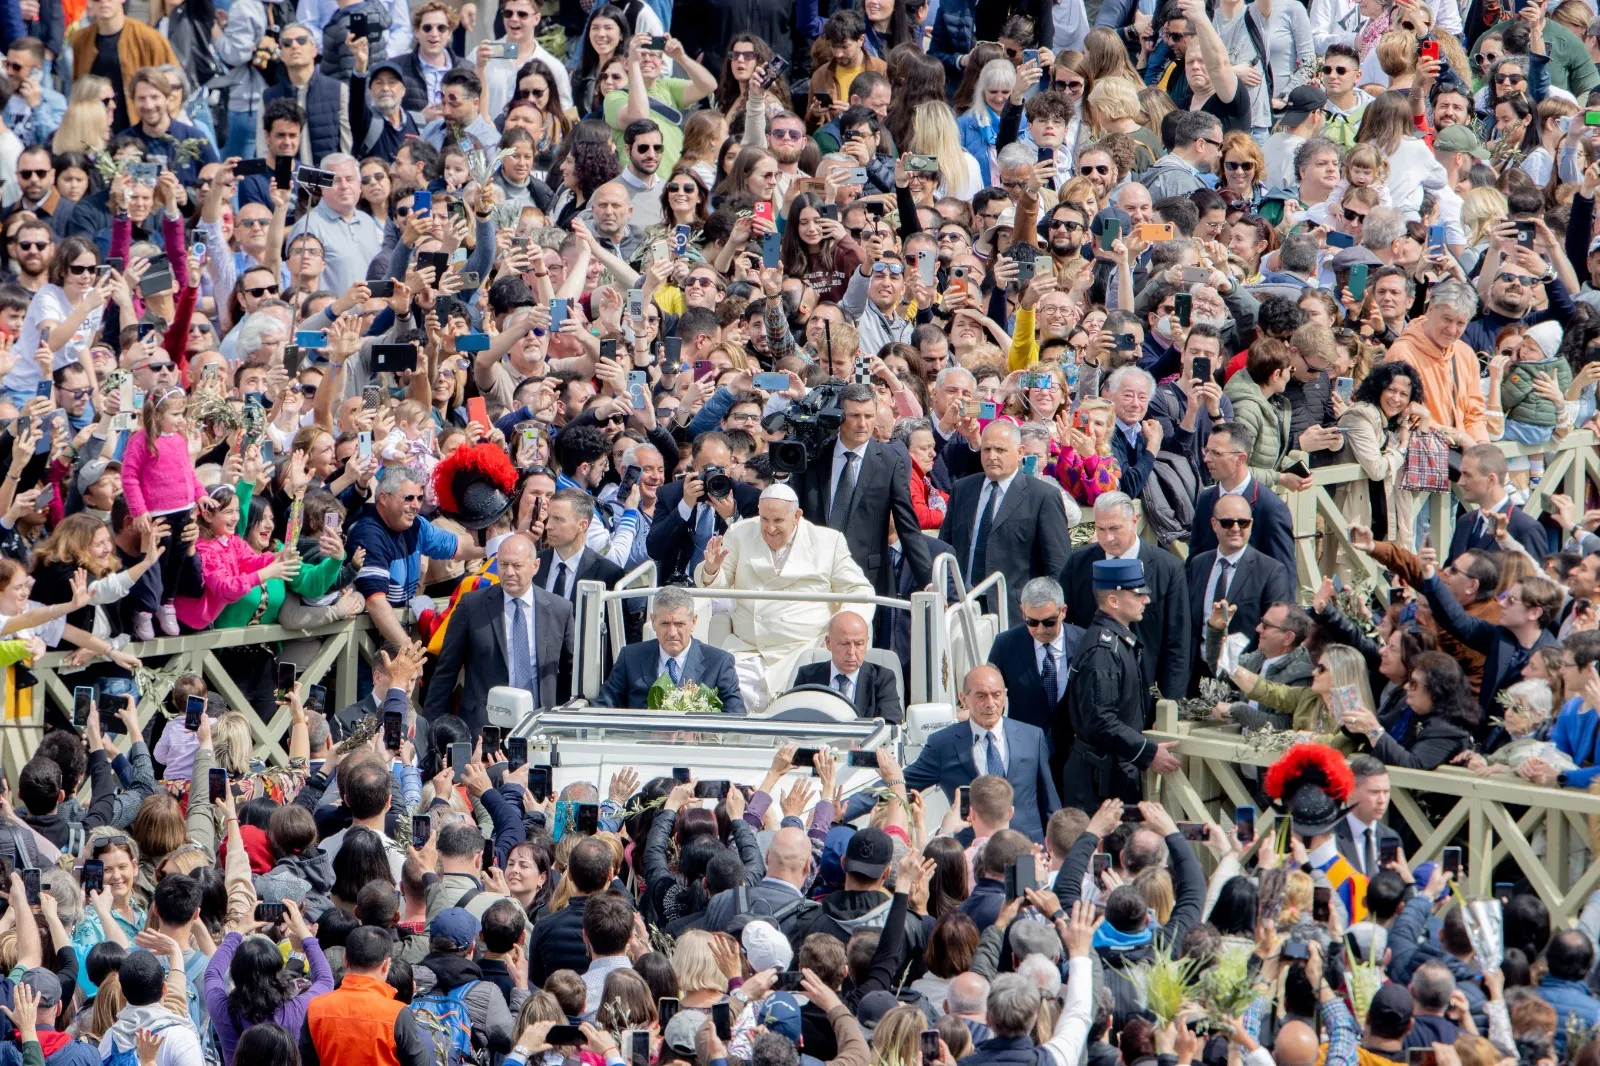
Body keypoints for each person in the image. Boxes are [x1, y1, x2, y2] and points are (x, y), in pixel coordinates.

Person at [696, 483, 874, 704]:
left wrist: (840, 627)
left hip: (805, 649)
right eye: (764, 520)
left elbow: (860, 591)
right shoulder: (740, 533)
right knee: (727, 698)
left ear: (797, 516)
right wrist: (711, 569)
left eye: (778, 521)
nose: (770, 529)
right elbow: (718, 586)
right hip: (751, 650)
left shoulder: (827, 541)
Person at [789, 383, 932, 599]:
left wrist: (929, 582)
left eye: (868, 416)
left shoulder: (890, 460)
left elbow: (907, 526)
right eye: (854, 415)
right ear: (839, 416)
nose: (862, 424)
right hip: (814, 574)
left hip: (867, 578)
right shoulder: (815, 456)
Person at [423, 533, 571, 736]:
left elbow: (569, 672)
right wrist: (430, 729)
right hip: (484, 727)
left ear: (535, 566)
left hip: (540, 726)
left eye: (517, 566)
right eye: (503, 565)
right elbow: (446, 671)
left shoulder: (559, 609)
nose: (509, 572)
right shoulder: (472, 606)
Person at [1062, 559, 1181, 811]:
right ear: (1113, 601)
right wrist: (1146, 752)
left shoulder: (1116, 641)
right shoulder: (1103, 650)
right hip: (1100, 780)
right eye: (1137, 594)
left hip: (1112, 772)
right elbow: (1100, 719)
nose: (1146, 600)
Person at [902, 665, 1061, 841]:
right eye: (981, 696)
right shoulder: (944, 745)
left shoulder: (1031, 737)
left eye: (996, 695)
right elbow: (900, 784)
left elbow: (1049, 802)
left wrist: (1057, 854)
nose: (990, 704)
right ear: (964, 699)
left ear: (1005, 694)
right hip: (972, 854)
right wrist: (870, 796)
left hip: (1025, 849)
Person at [1060, 492, 1191, 700]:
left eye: (1115, 528)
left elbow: (1178, 642)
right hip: (1091, 691)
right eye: (1100, 529)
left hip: (1147, 694)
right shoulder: (1078, 563)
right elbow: (1065, 628)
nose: (1108, 537)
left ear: (1134, 521)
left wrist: (1170, 704)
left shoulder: (1168, 568)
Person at [941, 420, 1072, 622]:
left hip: (1015, 613)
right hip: (962, 608)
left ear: (1020, 452)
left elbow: (1057, 565)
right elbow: (946, 547)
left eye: (1000, 450)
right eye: (987, 449)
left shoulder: (1042, 496)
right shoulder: (963, 489)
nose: (992, 456)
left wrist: (1045, 616)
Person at [594, 586, 744, 714]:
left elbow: (735, 718)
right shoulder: (630, 657)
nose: (672, 632)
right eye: (665, 624)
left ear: (693, 622)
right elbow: (603, 706)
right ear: (653, 622)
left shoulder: (719, 663)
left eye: (679, 624)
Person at [986, 577, 1083, 762]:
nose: (1040, 629)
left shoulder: (1083, 642)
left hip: (1073, 753)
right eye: (1032, 622)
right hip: (1024, 753)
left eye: (1049, 622)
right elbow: (989, 689)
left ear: (1063, 611)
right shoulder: (1005, 645)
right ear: (1023, 612)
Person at [1186, 493, 1296, 652]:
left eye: (1243, 523)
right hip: (1199, 669)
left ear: (1251, 524)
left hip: (1244, 670)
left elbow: (1276, 632)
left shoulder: (1271, 571)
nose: (1235, 529)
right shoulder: (1198, 564)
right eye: (1227, 523)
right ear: (1214, 524)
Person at [790, 613, 903, 722]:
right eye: (844, 644)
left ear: (867, 643)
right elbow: (793, 719)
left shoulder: (882, 679)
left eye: (859, 644)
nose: (852, 652)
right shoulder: (808, 677)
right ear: (829, 643)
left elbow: (890, 726)